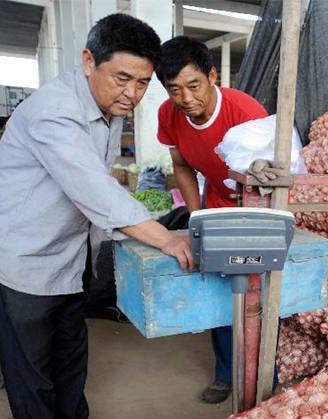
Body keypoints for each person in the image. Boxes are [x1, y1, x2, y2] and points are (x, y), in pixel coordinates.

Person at [0, 14, 194, 419]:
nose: (132, 93)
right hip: (25, 263)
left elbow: (101, 183)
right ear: (89, 61)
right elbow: (95, 191)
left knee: (70, 362)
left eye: (143, 82)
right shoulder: (54, 111)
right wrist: (166, 238)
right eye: (122, 78)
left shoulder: (110, 109)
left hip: (69, 260)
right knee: (33, 377)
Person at [155, 36, 282, 404]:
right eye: (174, 89)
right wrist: (198, 217)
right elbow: (181, 166)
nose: (185, 98)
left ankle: (267, 380)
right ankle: (226, 374)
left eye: (194, 85)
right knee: (221, 296)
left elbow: (269, 177)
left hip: (257, 208)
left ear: (212, 76)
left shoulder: (244, 111)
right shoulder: (169, 114)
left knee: (258, 297)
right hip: (215, 205)